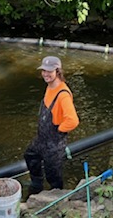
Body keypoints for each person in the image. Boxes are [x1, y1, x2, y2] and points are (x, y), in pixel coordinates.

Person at [24, 56, 79, 194]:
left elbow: (73, 120)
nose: (45, 74)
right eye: (43, 70)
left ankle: (58, 197)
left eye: (49, 71)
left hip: (54, 142)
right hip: (42, 138)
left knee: (53, 174)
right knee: (30, 155)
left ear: (58, 71)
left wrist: (59, 129)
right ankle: (37, 185)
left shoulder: (63, 94)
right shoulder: (50, 86)